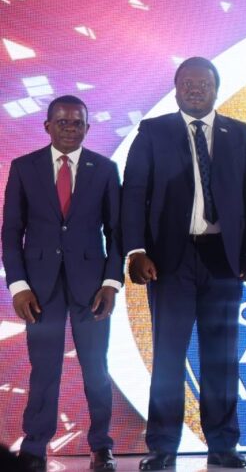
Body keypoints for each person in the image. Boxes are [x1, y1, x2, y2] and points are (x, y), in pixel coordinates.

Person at [122, 57, 246, 470]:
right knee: (168, 355)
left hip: (225, 259)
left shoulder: (240, 134)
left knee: (221, 356)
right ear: (176, 87)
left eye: (203, 82)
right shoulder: (154, 131)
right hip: (169, 261)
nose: (195, 88)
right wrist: (135, 251)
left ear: (217, 88)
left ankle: (223, 445)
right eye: (187, 82)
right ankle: (163, 447)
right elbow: (133, 192)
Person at [2, 95, 121, 472]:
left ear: (88, 127)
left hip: (92, 288)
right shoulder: (24, 168)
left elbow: (117, 233)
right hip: (38, 289)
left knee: (96, 369)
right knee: (44, 369)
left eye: (78, 123)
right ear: (48, 126)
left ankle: (101, 446)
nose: (71, 129)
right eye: (63, 122)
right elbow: (11, 233)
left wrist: (112, 283)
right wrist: (19, 286)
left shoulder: (104, 168)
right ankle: (35, 448)